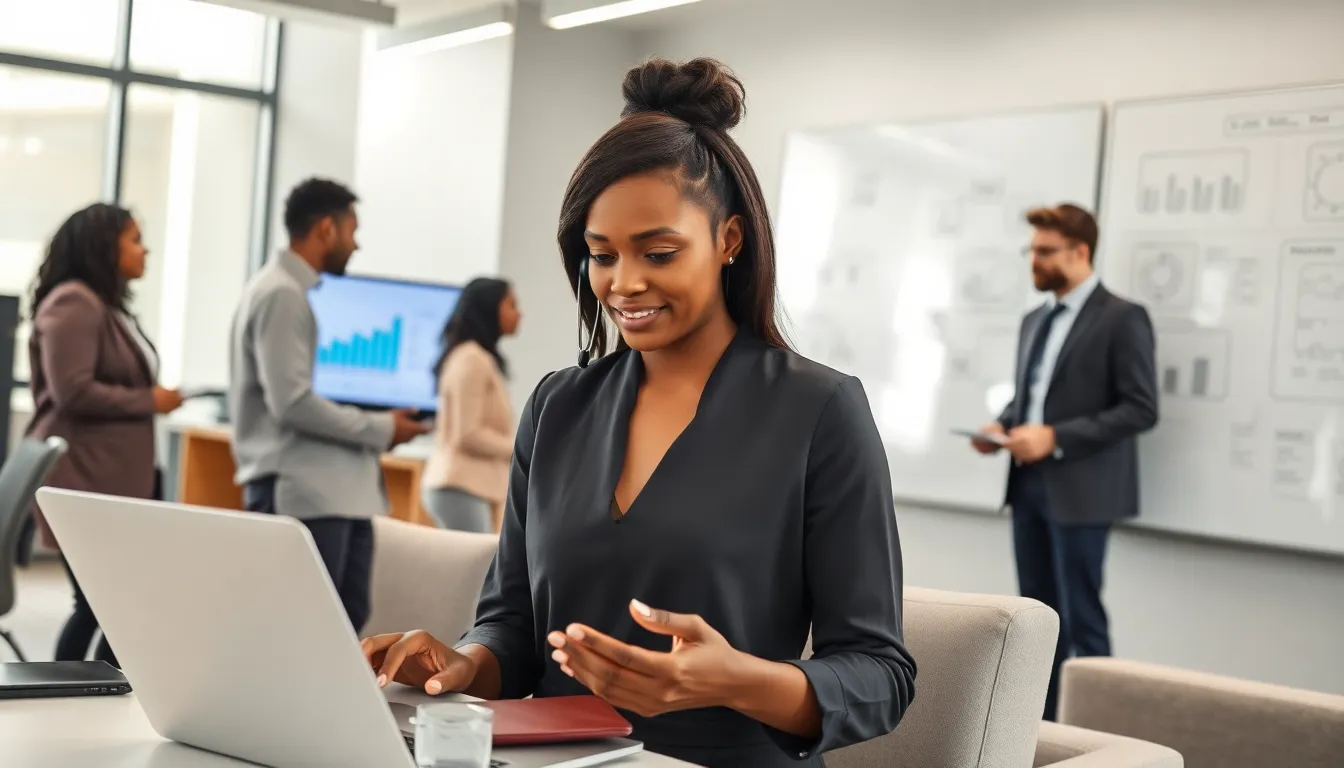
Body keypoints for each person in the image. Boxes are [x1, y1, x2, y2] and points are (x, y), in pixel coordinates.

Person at [362, 58, 916, 768]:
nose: (624, 284)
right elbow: (513, 624)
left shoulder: (819, 411)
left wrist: (735, 680)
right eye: (601, 256)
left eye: (658, 253)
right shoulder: (558, 406)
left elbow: (880, 676)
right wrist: (464, 664)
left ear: (729, 240)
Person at [971, 203, 1158, 721]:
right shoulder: (1035, 319)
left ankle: (1098, 736)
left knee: (1082, 620)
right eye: (1032, 250)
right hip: (1027, 485)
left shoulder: (1122, 318)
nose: (1035, 260)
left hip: (1083, 491)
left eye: (1046, 251)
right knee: (1038, 622)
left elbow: (1141, 408)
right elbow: (1032, 397)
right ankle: (1041, 732)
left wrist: (1054, 437)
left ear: (1080, 252)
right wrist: (1001, 427)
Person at [228, 178, 429, 633]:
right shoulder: (282, 294)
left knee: (339, 621)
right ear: (326, 229)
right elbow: (292, 403)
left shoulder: (284, 290)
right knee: (304, 626)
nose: (355, 245)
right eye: (352, 231)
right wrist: (382, 428)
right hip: (306, 491)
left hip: (326, 491)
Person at [26, 203, 184, 665]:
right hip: (84, 478)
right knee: (104, 605)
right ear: (103, 247)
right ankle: (73, 686)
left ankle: (86, 685)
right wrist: (149, 400)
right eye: (135, 239)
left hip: (110, 479)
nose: (145, 250)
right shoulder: (74, 302)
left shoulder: (104, 306)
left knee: (110, 606)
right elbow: (72, 391)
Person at [422, 277, 521, 533]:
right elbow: (467, 434)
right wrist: (522, 448)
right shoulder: (471, 359)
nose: (519, 314)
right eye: (511, 305)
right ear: (490, 308)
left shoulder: (478, 358)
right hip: (458, 486)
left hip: (468, 487)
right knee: (478, 558)